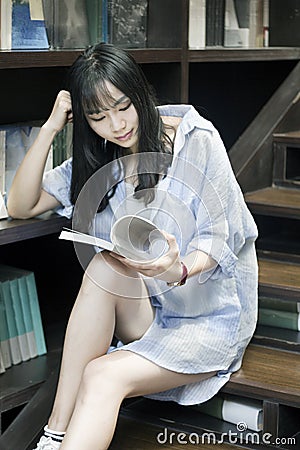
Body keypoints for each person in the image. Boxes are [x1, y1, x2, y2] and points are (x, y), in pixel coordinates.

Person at [7, 43, 258, 450]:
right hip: (152, 314)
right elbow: (21, 203)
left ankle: (53, 438)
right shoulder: (101, 158)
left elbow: (218, 240)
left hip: (208, 319)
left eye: (123, 106)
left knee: (101, 375)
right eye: (99, 117)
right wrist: (53, 126)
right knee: (104, 266)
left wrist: (177, 268)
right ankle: (54, 434)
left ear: (139, 92)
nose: (117, 124)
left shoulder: (196, 140)